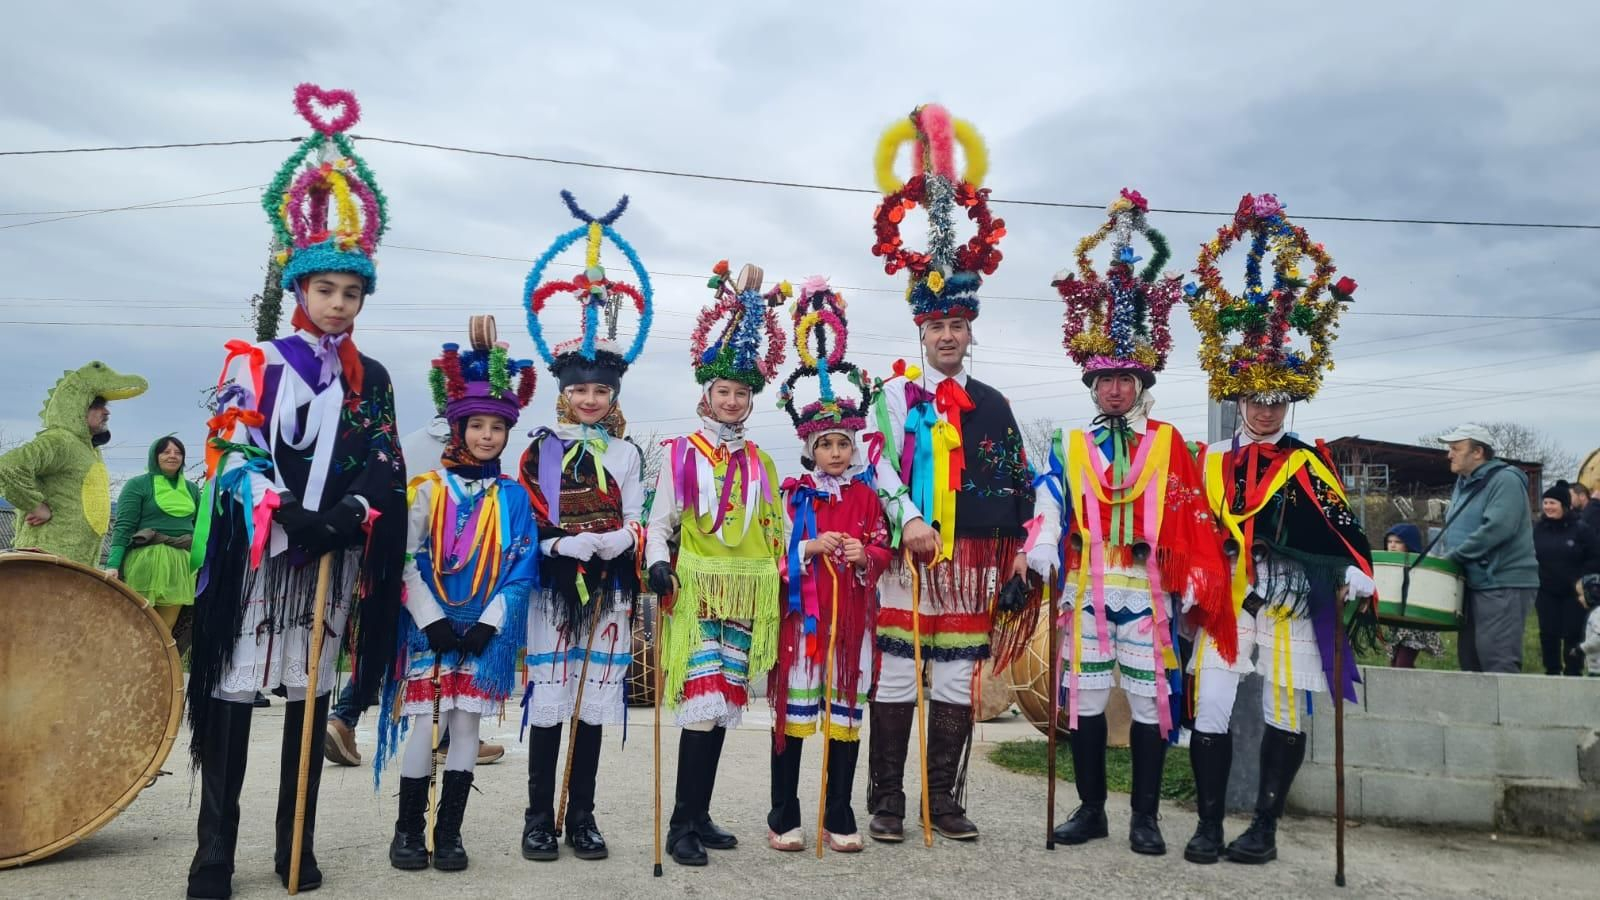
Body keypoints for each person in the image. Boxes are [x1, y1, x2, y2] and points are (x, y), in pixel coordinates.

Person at [183, 85, 408, 899]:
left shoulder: (372, 377)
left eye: (352, 293)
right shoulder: (255, 361)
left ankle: (295, 844)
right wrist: (288, 513)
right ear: (301, 287)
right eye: (326, 290)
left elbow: (384, 460)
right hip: (262, 555)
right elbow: (230, 450)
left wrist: (348, 515)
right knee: (235, 697)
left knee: (309, 702)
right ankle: (214, 851)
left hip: (329, 559)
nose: (338, 304)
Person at [1028, 190, 1232, 857]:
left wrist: (1194, 577)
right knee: (1083, 702)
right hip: (1087, 584)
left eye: (1125, 378)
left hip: (1148, 590)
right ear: (1091, 385)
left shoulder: (1173, 444)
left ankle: (1144, 815)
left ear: (1143, 380)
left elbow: (1192, 512)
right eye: (1104, 379)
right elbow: (1051, 504)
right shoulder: (1070, 443)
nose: (1114, 388)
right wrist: (1042, 552)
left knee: (1151, 705)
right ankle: (1091, 810)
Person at [863, 103, 1039, 846]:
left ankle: (947, 798)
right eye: (935, 326)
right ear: (921, 330)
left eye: (956, 327)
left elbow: (1022, 484)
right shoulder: (893, 397)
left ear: (969, 330)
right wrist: (908, 516)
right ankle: (888, 803)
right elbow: (874, 463)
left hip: (968, 565)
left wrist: (1021, 549)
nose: (946, 336)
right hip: (909, 555)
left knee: (956, 680)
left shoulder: (995, 405)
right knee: (899, 677)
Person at [1182, 192, 1375, 865]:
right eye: (1253, 399)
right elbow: (1191, 529)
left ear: (1289, 399)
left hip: (1292, 601)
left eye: (1276, 400)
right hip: (1225, 602)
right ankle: (1207, 825)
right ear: (1236, 397)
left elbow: (1344, 527)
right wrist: (1192, 580)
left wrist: (1355, 568)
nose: (1264, 411)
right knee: (1209, 707)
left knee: (1286, 711)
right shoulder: (1210, 461)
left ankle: (1262, 827)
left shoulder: (1310, 461)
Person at [516, 191, 652, 862]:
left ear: (613, 396)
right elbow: (530, 518)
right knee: (552, 692)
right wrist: (564, 543)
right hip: (556, 581)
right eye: (580, 390)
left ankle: (584, 815)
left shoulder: (627, 453)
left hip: (610, 582)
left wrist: (618, 540)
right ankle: (539, 813)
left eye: (601, 391)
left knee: (596, 696)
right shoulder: (540, 447)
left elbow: (637, 515)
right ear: (564, 391)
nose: (590, 399)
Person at [377, 326, 539, 873]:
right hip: (431, 624)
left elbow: (520, 566)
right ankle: (407, 831)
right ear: (458, 427)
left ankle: (449, 833)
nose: (487, 436)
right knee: (424, 720)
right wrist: (430, 619)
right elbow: (403, 555)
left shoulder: (514, 498)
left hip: (481, 626)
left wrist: (490, 626)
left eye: (497, 427)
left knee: (466, 724)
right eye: (478, 426)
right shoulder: (427, 487)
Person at [646, 261, 788, 867]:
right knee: (701, 706)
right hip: (699, 588)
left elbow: (774, 528)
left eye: (741, 394)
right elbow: (660, 523)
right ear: (705, 395)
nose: (731, 402)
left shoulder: (760, 461)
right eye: (722, 392)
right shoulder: (681, 455)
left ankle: (700, 813)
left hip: (747, 592)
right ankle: (680, 824)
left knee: (725, 703)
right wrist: (657, 562)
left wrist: (785, 574)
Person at [767, 278, 892, 853]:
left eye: (844, 443)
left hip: (852, 626)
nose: (836, 453)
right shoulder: (795, 493)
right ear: (809, 448)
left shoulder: (866, 495)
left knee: (846, 717)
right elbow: (779, 552)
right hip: (806, 626)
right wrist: (810, 550)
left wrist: (865, 554)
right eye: (827, 445)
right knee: (794, 719)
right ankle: (783, 814)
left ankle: (839, 813)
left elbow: (884, 543)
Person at [323, 411, 506, 769]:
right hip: (435, 574)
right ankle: (444, 737)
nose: (486, 434)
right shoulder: (465, 451)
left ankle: (344, 717)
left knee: (386, 644)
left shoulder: (407, 441)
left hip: (389, 561)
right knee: (439, 652)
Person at [0, 364, 147, 566]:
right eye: (96, 405)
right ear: (75, 407)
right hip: (47, 561)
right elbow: (8, 466)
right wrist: (35, 505)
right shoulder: (61, 441)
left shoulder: (90, 450)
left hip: (77, 564)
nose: (106, 412)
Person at [1436, 423, 1539, 673]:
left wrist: (1453, 558)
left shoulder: (1505, 480)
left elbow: (1497, 529)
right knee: (1470, 660)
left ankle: (1508, 713)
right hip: (1473, 581)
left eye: (1456, 448)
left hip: (1501, 582)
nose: (1449, 454)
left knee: (1496, 659)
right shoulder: (1464, 482)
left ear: (1478, 452)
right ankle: (1478, 713)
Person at [105, 436, 201, 631]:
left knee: (166, 628)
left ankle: (160, 662)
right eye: (166, 452)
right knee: (136, 623)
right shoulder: (138, 485)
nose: (172, 456)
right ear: (155, 456)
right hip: (146, 563)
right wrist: (113, 564)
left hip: (181, 566)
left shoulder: (191, 489)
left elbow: (200, 528)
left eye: (178, 452)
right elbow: (123, 526)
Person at [1532, 481, 1600, 676]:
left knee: (1573, 633)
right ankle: (1552, 671)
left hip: (1574, 592)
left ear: (1564, 505)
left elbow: (1596, 556)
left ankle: (1573, 671)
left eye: (1552, 503)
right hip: (1546, 590)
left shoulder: (1581, 529)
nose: (1548, 507)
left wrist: (1582, 576)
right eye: (1545, 503)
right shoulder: (1538, 529)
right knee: (1548, 633)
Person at [1381, 524, 1444, 668]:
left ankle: (1407, 687)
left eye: (1398, 542)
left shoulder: (1420, 565)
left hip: (1414, 624)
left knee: (1403, 663)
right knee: (1394, 663)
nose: (1392, 546)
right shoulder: (1389, 565)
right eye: (1390, 542)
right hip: (1397, 622)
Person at [1573, 574, 1600, 676]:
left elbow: (1598, 637)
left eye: (1581, 595)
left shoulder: (1598, 614)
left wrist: (1581, 648)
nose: (1579, 599)